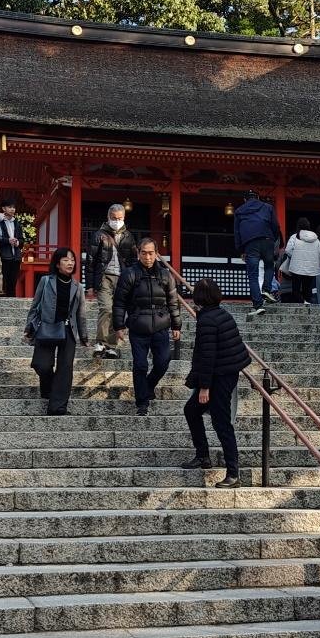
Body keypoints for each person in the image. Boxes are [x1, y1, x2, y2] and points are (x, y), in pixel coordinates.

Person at [183, 276, 251, 487]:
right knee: (191, 410)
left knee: (221, 423)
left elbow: (207, 355)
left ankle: (233, 473)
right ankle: (203, 455)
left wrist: (204, 387)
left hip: (218, 378)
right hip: (225, 373)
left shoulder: (206, 320)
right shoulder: (222, 314)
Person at [113, 235, 182, 417]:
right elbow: (119, 302)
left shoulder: (166, 275)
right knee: (140, 365)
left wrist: (177, 325)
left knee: (163, 362)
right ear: (138, 253)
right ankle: (142, 402)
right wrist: (119, 325)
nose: (148, 257)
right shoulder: (129, 274)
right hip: (138, 326)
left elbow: (173, 302)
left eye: (151, 253)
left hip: (161, 325)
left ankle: (149, 385)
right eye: (144, 253)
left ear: (157, 254)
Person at [24, 247, 89, 415]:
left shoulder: (77, 286)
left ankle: (57, 407)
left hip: (68, 329)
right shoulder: (46, 281)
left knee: (65, 368)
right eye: (66, 260)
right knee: (41, 365)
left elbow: (80, 313)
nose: (70, 263)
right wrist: (28, 327)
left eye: (72, 260)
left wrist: (84, 335)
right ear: (58, 263)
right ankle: (49, 389)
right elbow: (35, 305)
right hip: (46, 326)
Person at [86, 203, 137, 360]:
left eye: (120, 218)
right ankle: (101, 342)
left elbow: (133, 259)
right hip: (104, 276)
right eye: (114, 218)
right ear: (108, 217)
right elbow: (90, 260)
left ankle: (111, 346)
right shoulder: (99, 235)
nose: (117, 221)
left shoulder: (129, 236)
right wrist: (89, 285)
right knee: (107, 308)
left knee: (118, 311)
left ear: (124, 218)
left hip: (122, 277)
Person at [233, 188, 282, 317]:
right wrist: (274, 238)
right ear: (258, 198)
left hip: (250, 243)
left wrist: (241, 250)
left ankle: (258, 305)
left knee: (253, 275)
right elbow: (276, 226)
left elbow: (237, 233)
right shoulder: (268, 207)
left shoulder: (239, 211)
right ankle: (266, 289)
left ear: (245, 199)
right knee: (269, 265)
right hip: (267, 240)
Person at [279, 222, 320, 304]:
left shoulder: (294, 237)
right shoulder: (316, 239)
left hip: (297, 267)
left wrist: (296, 257)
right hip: (311, 267)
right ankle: (306, 303)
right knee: (307, 287)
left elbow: (288, 250)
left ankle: (300, 303)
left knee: (296, 288)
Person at [0, 200, 21, 298]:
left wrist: (17, 242)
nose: (12, 209)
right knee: (3, 281)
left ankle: (12, 300)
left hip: (16, 256)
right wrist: (8, 241)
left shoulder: (17, 223)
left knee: (13, 281)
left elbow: (22, 240)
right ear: (3, 209)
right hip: (4, 256)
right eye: (9, 207)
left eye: (14, 207)